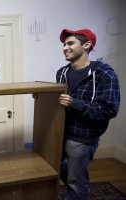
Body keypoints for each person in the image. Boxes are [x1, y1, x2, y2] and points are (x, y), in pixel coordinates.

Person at [56, 29, 120, 200]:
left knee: (77, 182)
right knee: (55, 166)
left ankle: (78, 191)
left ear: (86, 45)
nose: (65, 47)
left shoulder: (104, 73)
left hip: (82, 138)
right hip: (60, 133)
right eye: (64, 44)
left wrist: (74, 103)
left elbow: (109, 109)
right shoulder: (61, 72)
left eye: (70, 43)